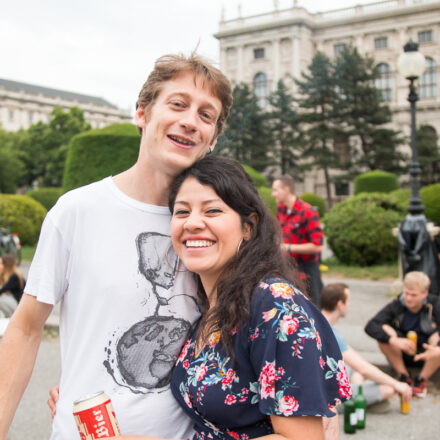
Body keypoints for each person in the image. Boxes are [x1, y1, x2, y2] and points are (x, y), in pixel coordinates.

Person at [0, 52, 233, 440]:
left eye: (206, 115)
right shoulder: (76, 211)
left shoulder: (217, 225)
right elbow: (25, 329)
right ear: (141, 113)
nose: (190, 121)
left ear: (211, 140)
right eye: (177, 104)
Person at [108, 155, 350, 440]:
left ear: (248, 227)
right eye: (182, 212)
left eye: (212, 211)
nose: (193, 223)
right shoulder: (206, 305)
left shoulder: (275, 305)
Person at [321, 283, 412, 412]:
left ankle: (360, 397)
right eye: (349, 301)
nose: (349, 305)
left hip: (324, 380)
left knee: (352, 368)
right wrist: (397, 384)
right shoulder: (330, 333)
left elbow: (358, 364)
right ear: (340, 305)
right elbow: (364, 368)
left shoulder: (318, 320)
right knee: (388, 389)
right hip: (326, 396)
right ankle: (358, 402)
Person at [364, 271, 440, 398]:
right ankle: (404, 376)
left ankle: (421, 380)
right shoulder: (397, 305)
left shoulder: (435, 304)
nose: (408, 298)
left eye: (414, 295)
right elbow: (371, 326)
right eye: (406, 293)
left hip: (429, 354)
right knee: (384, 331)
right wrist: (393, 340)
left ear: (425, 294)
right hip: (403, 352)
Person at [271, 175, 324, 306]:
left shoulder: (308, 212)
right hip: (288, 267)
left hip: (307, 270)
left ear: (286, 190)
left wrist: (287, 248)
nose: (273, 194)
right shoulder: (281, 210)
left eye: (276, 190)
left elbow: (318, 246)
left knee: (312, 307)